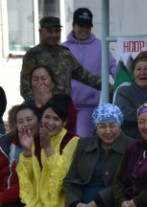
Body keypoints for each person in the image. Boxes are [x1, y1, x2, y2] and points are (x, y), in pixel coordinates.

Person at [0, 95, 78, 207]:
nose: (50, 123)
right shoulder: (35, 140)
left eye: (56, 119)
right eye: (47, 117)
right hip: (36, 204)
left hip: (57, 204)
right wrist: (26, 151)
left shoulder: (72, 141)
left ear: (64, 122)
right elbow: (28, 181)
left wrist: (48, 148)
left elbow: (60, 180)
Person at [63, 7, 117, 137]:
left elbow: (113, 67)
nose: (84, 30)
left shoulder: (100, 45)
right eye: (81, 25)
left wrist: (122, 85)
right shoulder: (63, 48)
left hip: (88, 107)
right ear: (73, 25)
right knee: (64, 144)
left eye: (87, 26)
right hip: (64, 106)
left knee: (82, 142)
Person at [19, 16, 102, 101]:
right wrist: (38, 106)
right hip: (43, 109)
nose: (54, 35)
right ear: (41, 32)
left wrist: (106, 86)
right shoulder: (33, 55)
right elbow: (26, 87)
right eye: (49, 31)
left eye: (57, 31)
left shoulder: (65, 53)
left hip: (64, 107)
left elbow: (83, 75)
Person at [113, 51, 147, 139]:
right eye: (138, 69)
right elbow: (122, 113)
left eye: (146, 69)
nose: (142, 72)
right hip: (130, 144)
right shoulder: (124, 91)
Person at [26, 64, 77, 131]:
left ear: (52, 84)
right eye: (35, 79)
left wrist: (48, 103)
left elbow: (70, 124)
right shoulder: (26, 106)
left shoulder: (65, 101)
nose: (40, 83)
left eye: (44, 79)